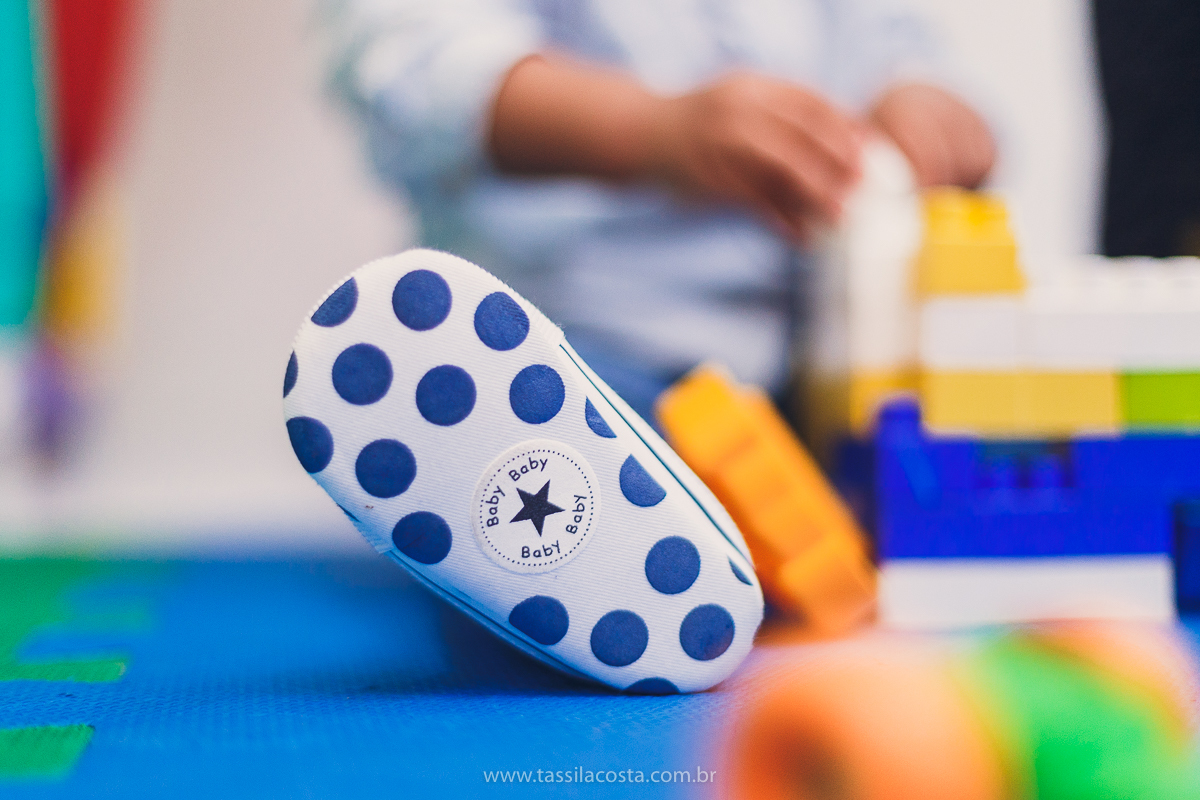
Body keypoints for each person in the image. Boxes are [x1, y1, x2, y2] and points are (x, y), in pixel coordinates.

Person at [325, 0, 994, 418]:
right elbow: (418, 71)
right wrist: (656, 130)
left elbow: (897, 38)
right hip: (574, 350)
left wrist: (923, 98)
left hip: (806, 362)